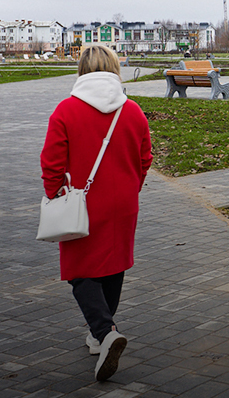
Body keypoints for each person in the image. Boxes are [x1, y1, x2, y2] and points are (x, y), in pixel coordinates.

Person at [40, 45, 153, 381]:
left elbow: (51, 163)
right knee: (113, 264)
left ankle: (105, 333)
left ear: (81, 70)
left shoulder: (66, 110)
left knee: (79, 270)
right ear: (115, 69)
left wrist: (55, 194)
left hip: (82, 202)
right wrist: (133, 186)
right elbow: (145, 157)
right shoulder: (132, 111)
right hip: (124, 202)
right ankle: (99, 335)